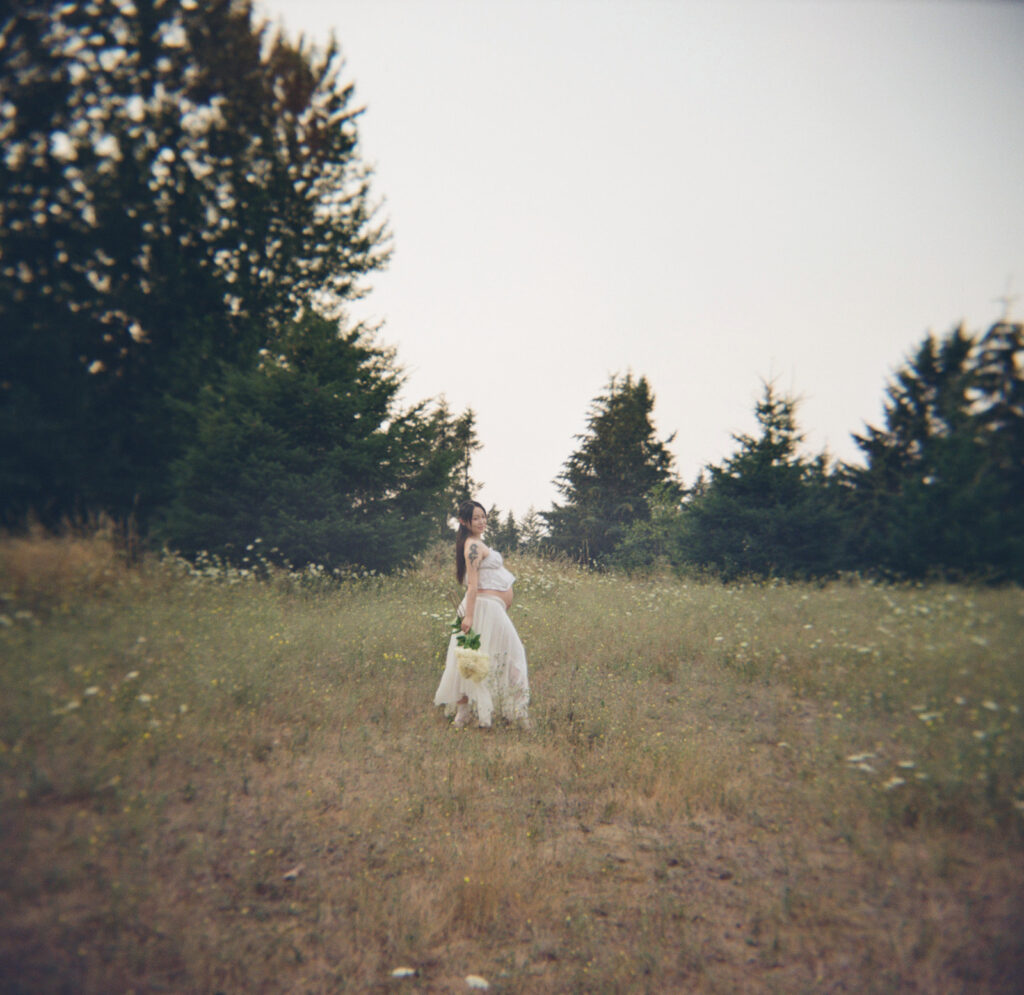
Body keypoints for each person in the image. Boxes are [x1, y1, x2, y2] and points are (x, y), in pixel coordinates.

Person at [434, 500, 531, 729]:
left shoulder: (476, 543)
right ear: (464, 522)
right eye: (476, 518)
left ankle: (469, 712)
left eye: (483, 517)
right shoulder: (473, 547)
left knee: (479, 658)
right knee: (508, 655)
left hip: (489, 608)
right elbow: (472, 585)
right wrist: (468, 617)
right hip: (483, 608)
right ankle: (516, 712)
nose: (481, 521)